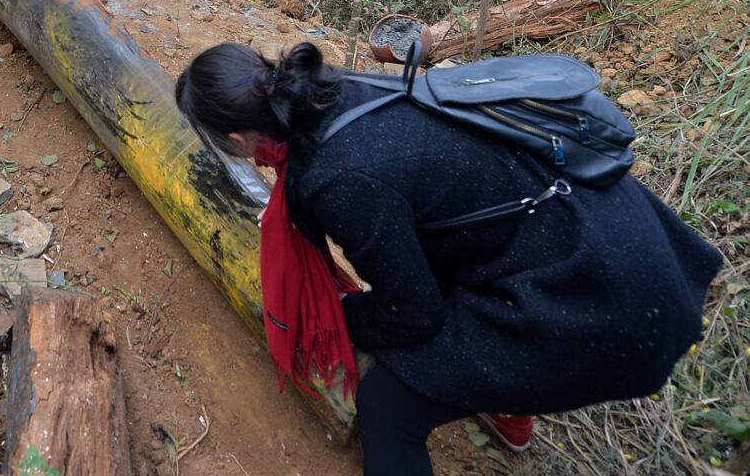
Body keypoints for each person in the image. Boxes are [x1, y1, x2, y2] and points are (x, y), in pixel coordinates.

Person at [174, 41, 722, 476]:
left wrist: (336, 319)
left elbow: (413, 315)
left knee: (387, 409)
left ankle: (508, 393)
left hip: (609, 297)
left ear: (238, 139)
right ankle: (506, 407)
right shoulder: (339, 90)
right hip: (608, 233)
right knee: (444, 277)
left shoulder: (338, 177)